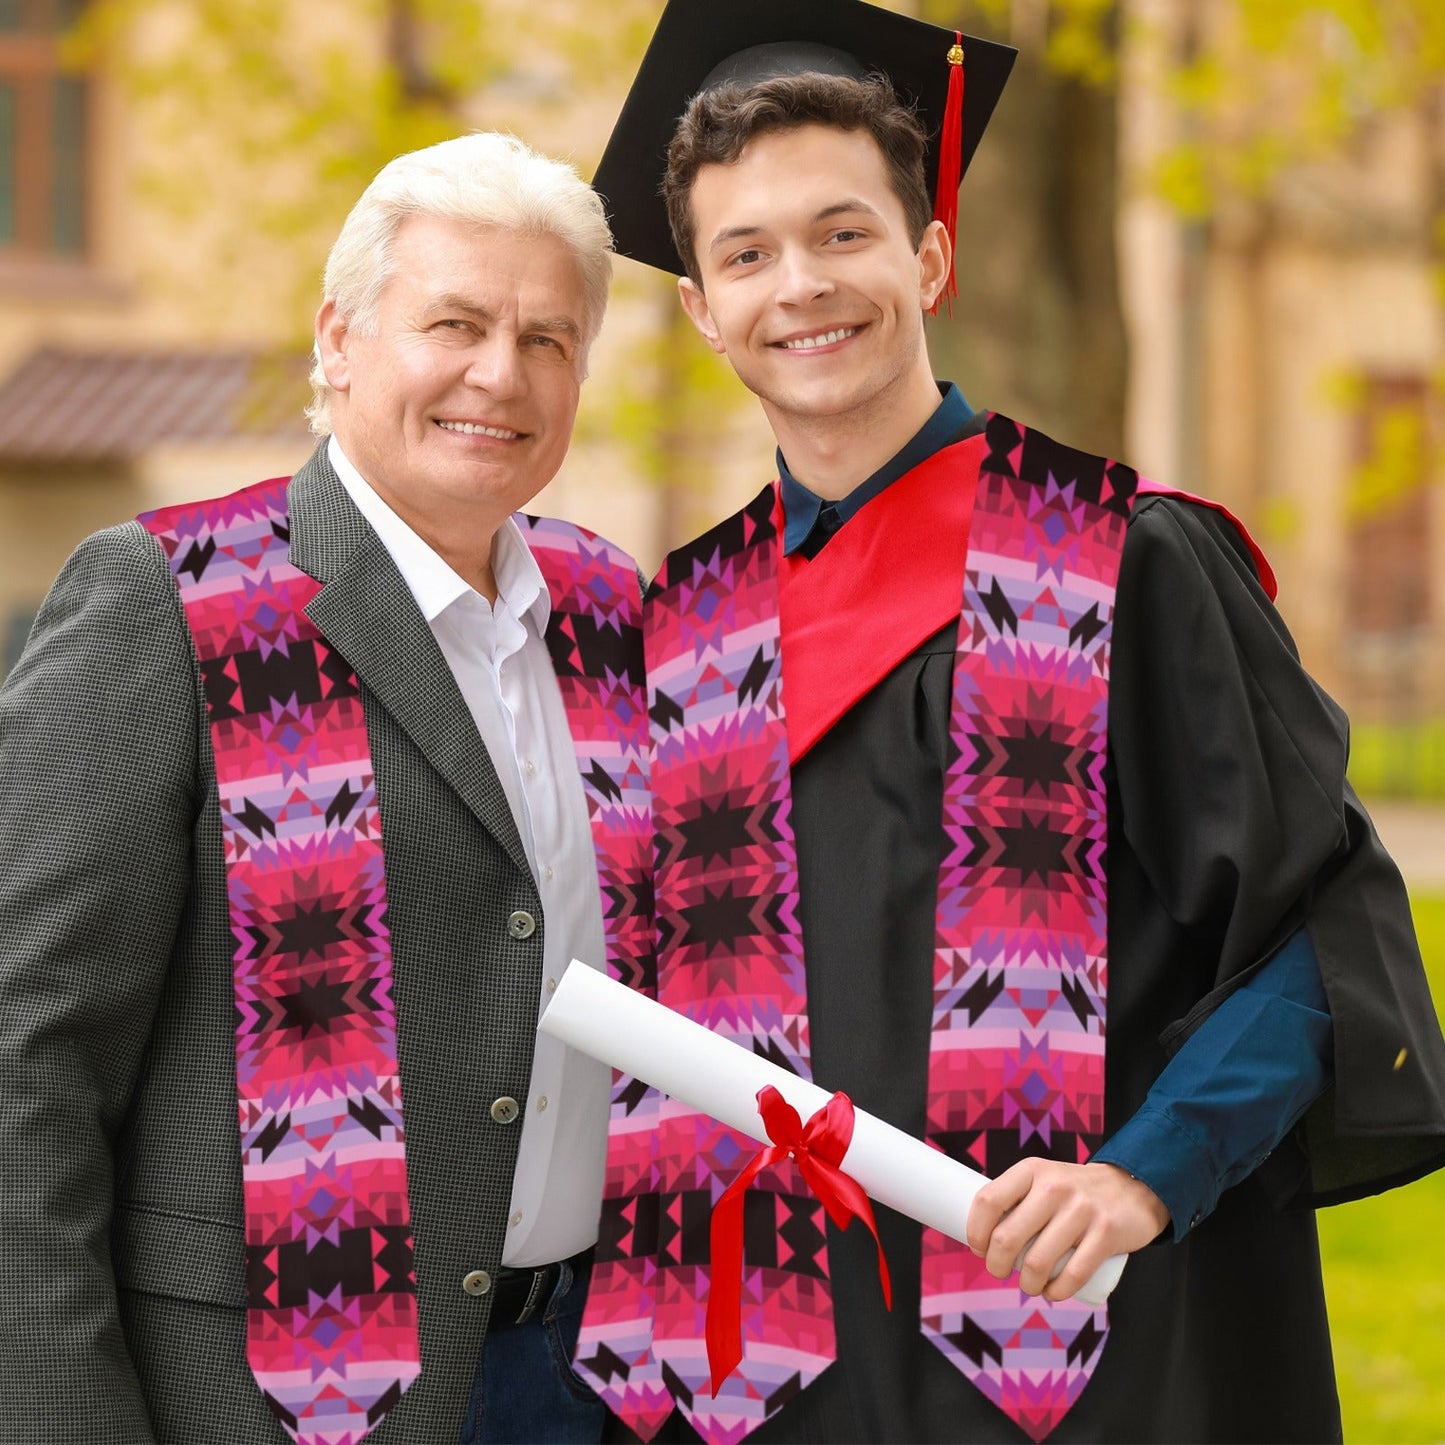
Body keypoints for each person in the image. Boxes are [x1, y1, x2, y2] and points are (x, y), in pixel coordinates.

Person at [569, 2, 1445, 1442]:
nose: (801, 285)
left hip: (1087, 1350)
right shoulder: (678, 628)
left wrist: (1144, 1173)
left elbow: (1318, 932)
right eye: (746, 254)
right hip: (774, 1377)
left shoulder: (1123, 561)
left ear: (928, 254)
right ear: (701, 308)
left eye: (843, 233)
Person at [0, 132, 650, 1445]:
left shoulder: (614, 614)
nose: (498, 373)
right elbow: (27, 1057)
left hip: (593, 1381)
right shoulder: (172, 601)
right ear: (339, 339)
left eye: (546, 338)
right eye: (454, 322)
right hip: (273, 1399)